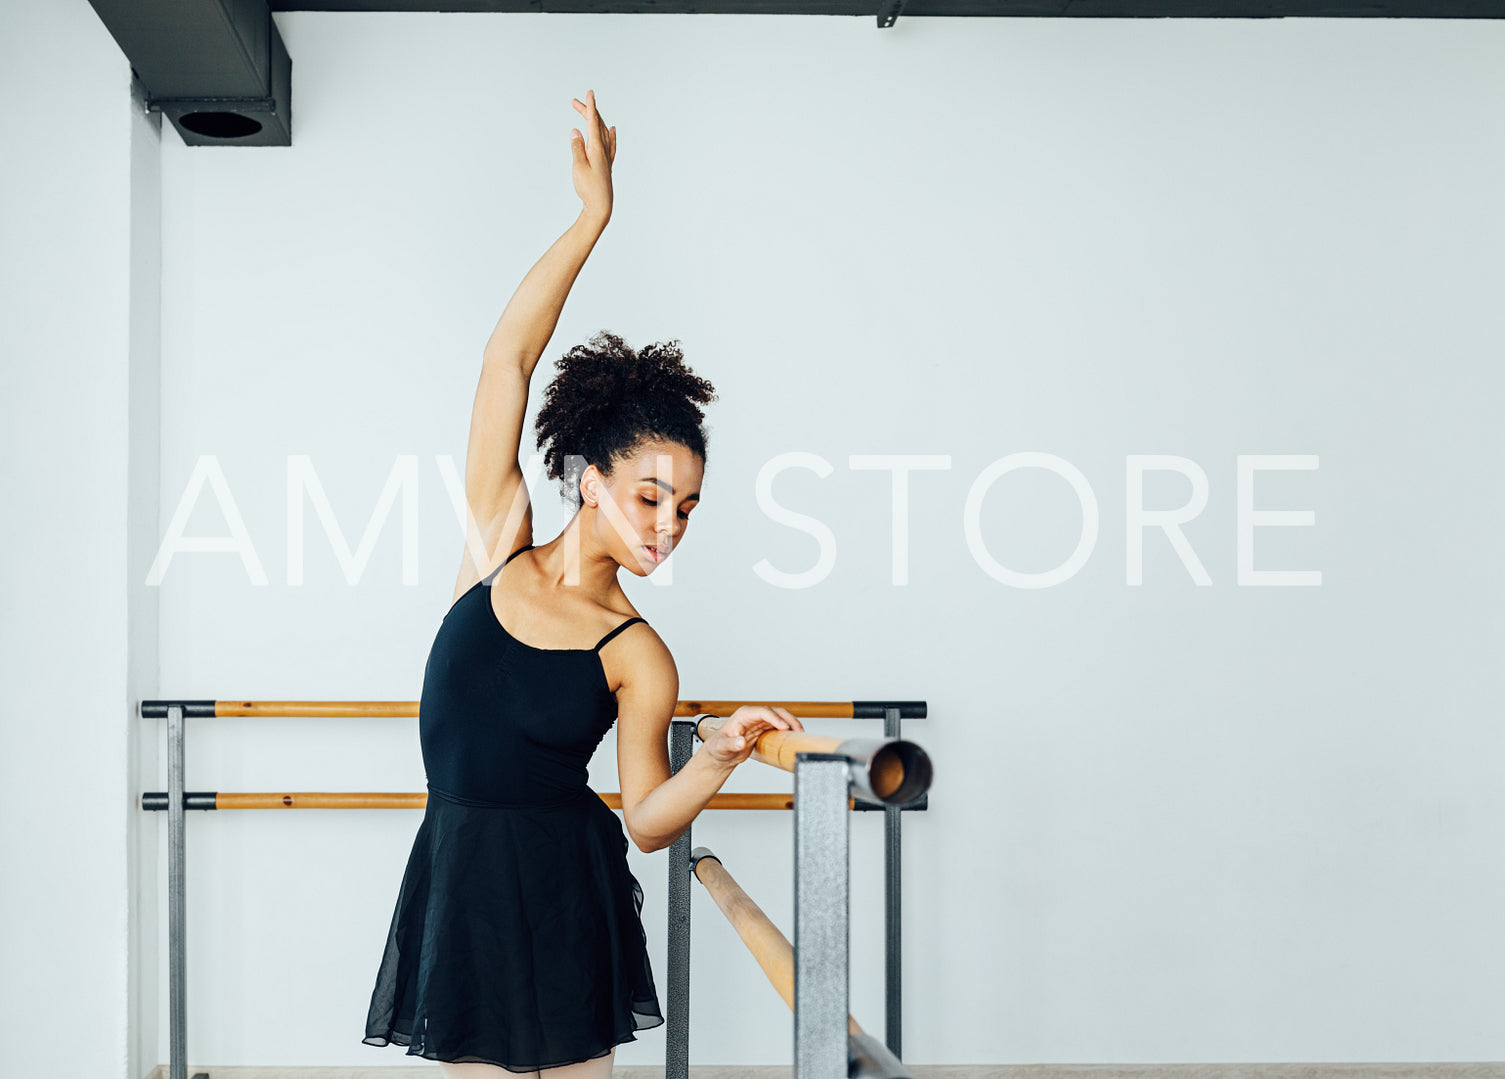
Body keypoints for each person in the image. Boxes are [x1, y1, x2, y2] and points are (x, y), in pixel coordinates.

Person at [361, 89, 804, 1078]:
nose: (667, 524)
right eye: (650, 495)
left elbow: (645, 820)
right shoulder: (497, 544)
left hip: (566, 889)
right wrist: (591, 218)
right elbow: (505, 363)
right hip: (461, 876)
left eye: (685, 507)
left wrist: (719, 754)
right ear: (590, 479)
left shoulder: (635, 650)